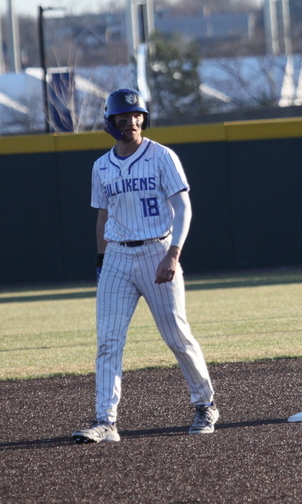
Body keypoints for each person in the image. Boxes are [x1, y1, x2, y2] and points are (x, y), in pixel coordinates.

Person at [72, 88, 218, 444]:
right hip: (118, 257)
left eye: (136, 116)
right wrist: (101, 262)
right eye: (123, 118)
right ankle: (106, 421)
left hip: (158, 250)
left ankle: (205, 404)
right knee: (108, 341)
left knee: (177, 336)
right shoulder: (101, 166)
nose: (131, 122)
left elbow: (184, 207)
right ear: (111, 123)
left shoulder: (162, 156)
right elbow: (102, 217)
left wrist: (174, 253)